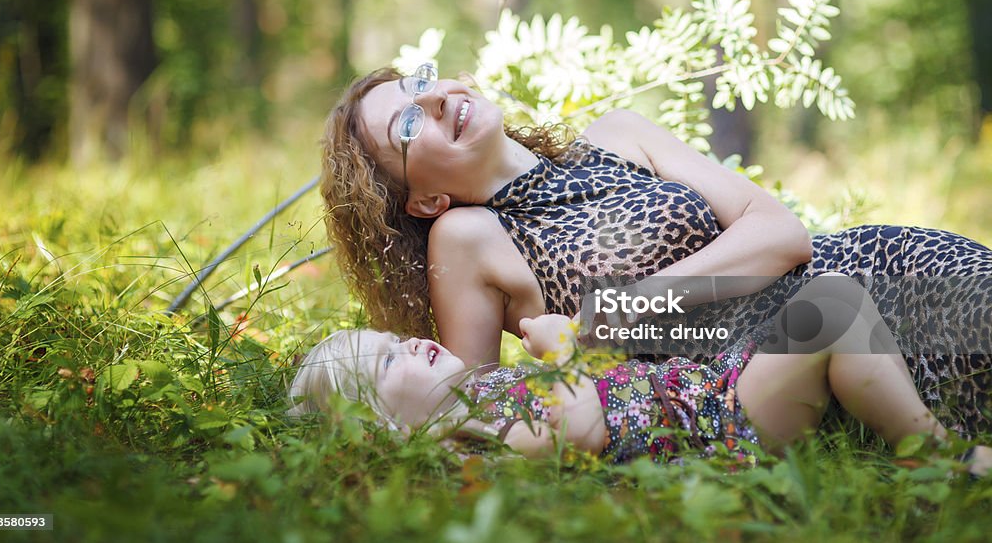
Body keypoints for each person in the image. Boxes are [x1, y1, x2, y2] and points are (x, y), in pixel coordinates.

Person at [319, 64, 992, 434]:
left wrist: (616, 313)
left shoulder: (620, 133)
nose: (435, 97)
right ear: (425, 200)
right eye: (408, 122)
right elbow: (475, 408)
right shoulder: (466, 239)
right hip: (786, 366)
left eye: (421, 79)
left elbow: (781, 235)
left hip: (878, 263)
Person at [289, 274, 991, 476]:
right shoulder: (475, 435)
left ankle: (907, 426)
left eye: (394, 337)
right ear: (381, 425)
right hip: (720, 424)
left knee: (830, 303)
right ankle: (936, 447)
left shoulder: (481, 394)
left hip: (713, 390)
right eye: (386, 360)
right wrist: (561, 350)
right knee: (833, 307)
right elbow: (578, 426)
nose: (409, 342)